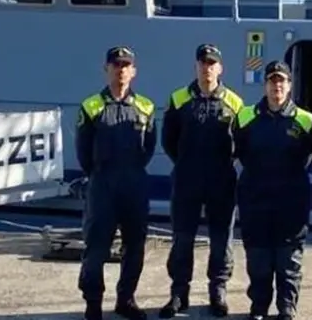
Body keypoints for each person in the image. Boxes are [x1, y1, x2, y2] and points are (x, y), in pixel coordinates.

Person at [159, 44, 245, 318]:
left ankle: (217, 291)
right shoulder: (178, 99)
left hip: (222, 182)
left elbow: (241, 144)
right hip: (187, 181)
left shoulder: (235, 102)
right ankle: (178, 293)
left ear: (220, 68)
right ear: (196, 66)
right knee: (182, 238)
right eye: (202, 63)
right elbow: (168, 141)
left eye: (212, 63)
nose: (207, 68)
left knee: (221, 239)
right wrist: (187, 164)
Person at [230, 60, 312, 320]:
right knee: (258, 258)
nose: (276, 85)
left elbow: (307, 156)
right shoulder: (245, 117)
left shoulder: (306, 120)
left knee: (288, 260)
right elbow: (240, 152)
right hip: (255, 199)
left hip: (291, 202)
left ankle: (286, 308)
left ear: (289, 85)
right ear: (265, 84)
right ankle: (259, 306)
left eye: (282, 80)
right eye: (272, 80)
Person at [76, 46, 157, 320]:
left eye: (125, 65)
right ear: (106, 69)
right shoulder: (91, 106)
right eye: (115, 65)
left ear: (133, 71)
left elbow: (149, 147)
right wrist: (100, 173)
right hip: (103, 184)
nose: (120, 70)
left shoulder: (146, 107)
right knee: (96, 246)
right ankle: (93, 302)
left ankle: (126, 300)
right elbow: (83, 152)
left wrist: (131, 171)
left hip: (134, 184)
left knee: (135, 246)